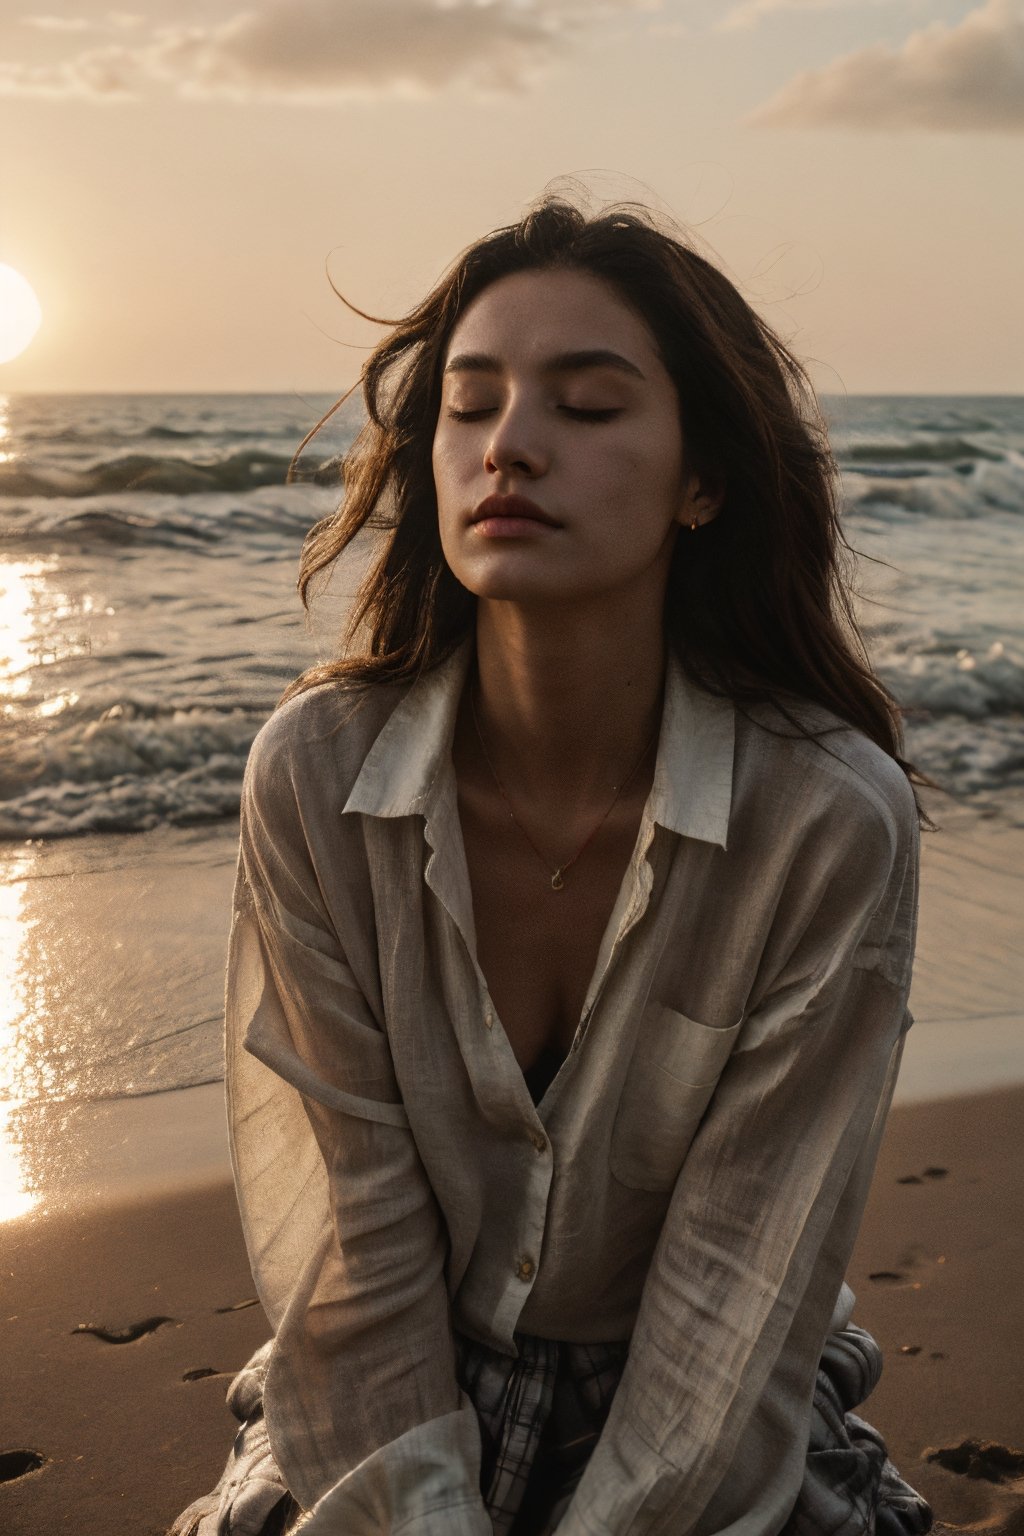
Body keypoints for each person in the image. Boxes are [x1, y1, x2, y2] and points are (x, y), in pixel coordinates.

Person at [172, 196, 933, 1536]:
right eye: (469, 407)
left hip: (707, 1393)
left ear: (704, 479)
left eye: (588, 408)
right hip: (400, 1384)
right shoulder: (316, 779)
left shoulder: (826, 820)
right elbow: (355, 1255)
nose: (510, 447)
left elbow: (739, 1288)